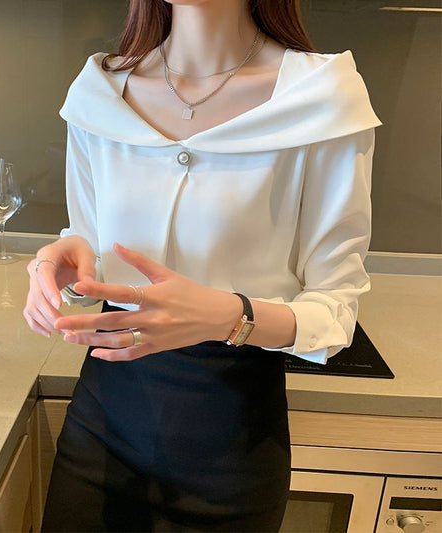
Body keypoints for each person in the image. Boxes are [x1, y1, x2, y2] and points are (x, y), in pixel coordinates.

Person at [23, 0, 381, 531]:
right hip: (102, 423)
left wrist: (230, 315)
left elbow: (336, 309)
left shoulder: (322, 95)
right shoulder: (99, 91)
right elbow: (90, 243)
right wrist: (67, 270)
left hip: (231, 441)